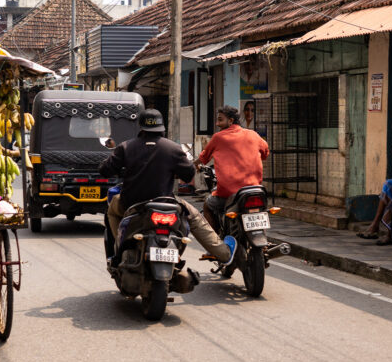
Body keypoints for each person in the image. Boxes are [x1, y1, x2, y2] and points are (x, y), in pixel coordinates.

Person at [99, 108, 236, 267]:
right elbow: (189, 174)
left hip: (131, 204)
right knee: (195, 218)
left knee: (112, 210)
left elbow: (105, 170)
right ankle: (224, 253)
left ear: (141, 128)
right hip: (166, 203)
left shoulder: (125, 147)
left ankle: (120, 249)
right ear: (161, 128)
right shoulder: (173, 148)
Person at [196, 105, 270, 231]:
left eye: (220, 120)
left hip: (230, 193)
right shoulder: (253, 134)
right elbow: (265, 154)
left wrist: (194, 164)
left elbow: (204, 157)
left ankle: (214, 242)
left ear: (230, 121)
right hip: (255, 189)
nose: (217, 123)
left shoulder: (218, 137)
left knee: (207, 206)